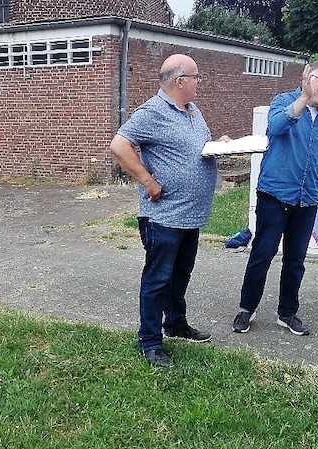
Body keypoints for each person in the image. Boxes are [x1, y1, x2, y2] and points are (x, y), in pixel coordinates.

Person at [109, 54, 218, 368]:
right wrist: (148, 181)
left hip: (190, 215)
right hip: (163, 216)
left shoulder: (193, 110)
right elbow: (119, 145)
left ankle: (175, 323)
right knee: (158, 279)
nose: (199, 82)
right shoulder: (152, 111)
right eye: (196, 77)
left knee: (180, 274)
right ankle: (150, 341)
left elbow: (196, 147)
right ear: (180, 80)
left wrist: (220, 144)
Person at [231, 61, 318, 336]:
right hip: (275, 195)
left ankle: (287, 313)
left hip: (307, 199)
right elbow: (275, 127)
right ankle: (247, 308)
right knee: (263, 254)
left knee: (296, 260)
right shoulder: (283, 101)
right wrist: (303, 98)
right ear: (308, 76)